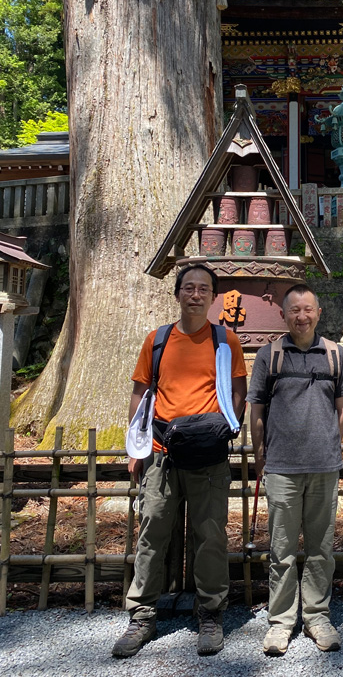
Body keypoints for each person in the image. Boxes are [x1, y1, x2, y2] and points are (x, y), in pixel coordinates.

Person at [112, 264, 247, 659]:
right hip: (161, 453)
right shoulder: (157, 340)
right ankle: (142, 615)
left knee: (210, 535)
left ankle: (210, 612)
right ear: (177, 294)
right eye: (188, 288)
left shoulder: (226, 341)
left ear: (212, 297)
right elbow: (141, 393)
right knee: (153, 533)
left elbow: (238, 390)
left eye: (203, 289)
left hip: (208, 454)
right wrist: (135, 448)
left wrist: (224, 428)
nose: (195, 295)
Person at [248, 284, 343, 656]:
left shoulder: (335, 355)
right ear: (283, 314)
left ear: (319, 313)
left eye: (308, 309)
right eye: (294, 310)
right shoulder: (269, 356)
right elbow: (257, 410)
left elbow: (342, 410)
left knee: (321, 547)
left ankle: (317, 615)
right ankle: (280, 621)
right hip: (281, 467)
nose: (302, 316)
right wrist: (260, 453)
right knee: (281, 549)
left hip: (324, 466)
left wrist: (328, 444)